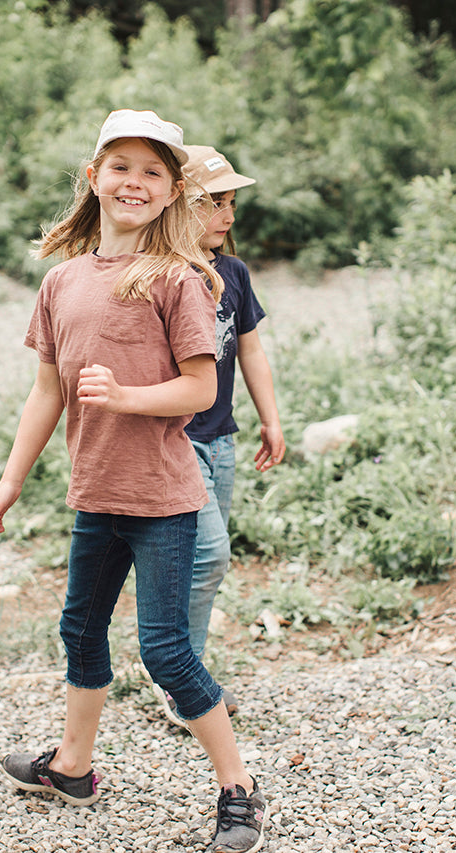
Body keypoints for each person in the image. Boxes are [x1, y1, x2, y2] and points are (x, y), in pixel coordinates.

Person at [0, 109, 268, 853]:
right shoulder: (62, 280)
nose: (134, 182)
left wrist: (130, 397)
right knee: (78, 629)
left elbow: (201, 390)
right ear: (93, 176)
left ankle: (238, 789)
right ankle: (72, 766)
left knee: (167, 650)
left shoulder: (179, 279)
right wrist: (10, 480)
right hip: (95, 494)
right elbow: (47, 392)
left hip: (164, 498)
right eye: (122, 166)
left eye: (152, 172)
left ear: (173, 192)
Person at [151, 145, 285, 728]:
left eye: (231, 203)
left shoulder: (233, 272)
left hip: (221, 439)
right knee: (208, 556)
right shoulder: (163, 274)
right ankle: (183, 680)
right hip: (174, 440)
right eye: (212, 203)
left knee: (203, 559)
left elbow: (249, 347)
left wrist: (270, 418)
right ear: (180, 206)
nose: (227, 215)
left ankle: (182, 665)